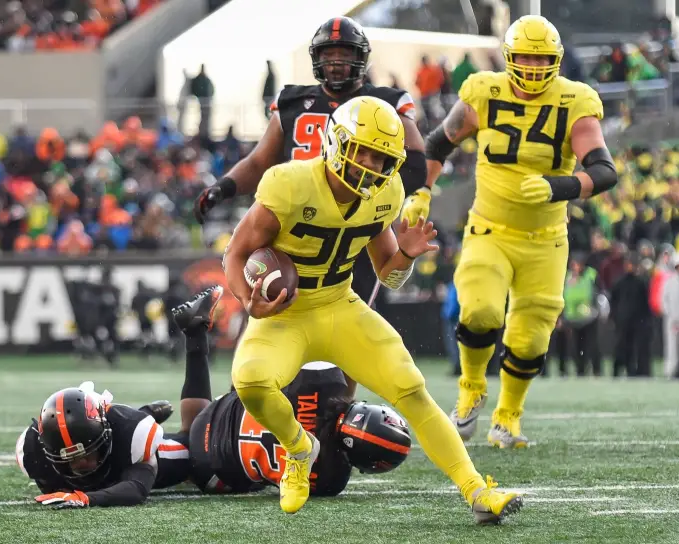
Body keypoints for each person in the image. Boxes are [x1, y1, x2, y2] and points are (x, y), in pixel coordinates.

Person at [221, 96, 521, 522]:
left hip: (340, 305)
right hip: (287, 313)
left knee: (412, 388)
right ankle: (299, 448)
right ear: (336, 142)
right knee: (250, 382)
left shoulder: (385, 194)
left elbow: (388, 275)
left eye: (381, 158)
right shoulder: (289, 185)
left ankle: (477, 490)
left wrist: (406, 257)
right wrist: (247, 299)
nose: (370, 164)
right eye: (362, 149)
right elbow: (236, 253)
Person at [412, 15, 615, 448]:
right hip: (490, 227)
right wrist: (422, 194)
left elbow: (604, 171)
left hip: (546, 239)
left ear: (556, 60)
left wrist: (558, 185)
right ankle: (470, 390)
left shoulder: (575, 101)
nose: (533, 65)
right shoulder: (484, 93)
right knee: (480, 310)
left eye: (542, 58)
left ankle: (508, 416)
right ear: (509, 56)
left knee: (530, 337)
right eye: (525, 55)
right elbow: (437, 144)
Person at [194, 16, 427, 314]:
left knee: (350, 319)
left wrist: (364, 195)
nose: (335, 62)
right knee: (275, 311)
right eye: (328, 54)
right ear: (316, 58)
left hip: (352, 225)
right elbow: (259, 162)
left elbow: (416, 164)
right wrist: (222, 187)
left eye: (344, 53)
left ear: (361, 58)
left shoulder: (385, 102)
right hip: (299, 221)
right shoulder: (294, 101)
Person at [167, 286, 410, 495]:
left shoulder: (326, 381)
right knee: (207, 449)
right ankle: (195, 338)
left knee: (258, 371)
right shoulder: (332, 480)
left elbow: (347, 367)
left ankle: (207, 331)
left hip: (222, 411)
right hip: (215, 467)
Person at [16, 384, 186, 509]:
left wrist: (84, 498)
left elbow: (136, 489)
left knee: (200, 461)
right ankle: (146, 411)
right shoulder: (33, 451)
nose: (81, 464)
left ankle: (145, 412)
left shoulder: (132, 433)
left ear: (106, 433)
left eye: (87, 455)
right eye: (71, 459)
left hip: (145, 456)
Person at [608, 254, 651, 377]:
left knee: (635, 348)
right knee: (621, 347)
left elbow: (645, 304)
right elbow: (614, 301)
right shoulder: (619, 282)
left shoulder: (641, 283)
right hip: (622, 322)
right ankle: (617, 370)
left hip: (637, 322)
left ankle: (633, 371)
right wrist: (614, 317)